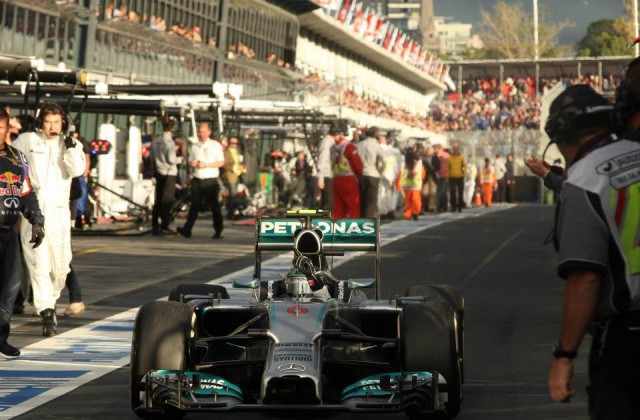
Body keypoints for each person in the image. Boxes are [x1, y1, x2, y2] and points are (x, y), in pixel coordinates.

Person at [543, 85, 640, 420]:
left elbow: (585, 277)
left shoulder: (583, 178)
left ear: (561, 134)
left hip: (629, 337)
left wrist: (564, 356)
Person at [13, 103, 85, 336]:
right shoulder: (27, 141)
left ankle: (51, 301)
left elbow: (77, 171)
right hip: (34, 210)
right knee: (38, 262)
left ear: (63, 123)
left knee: (61, 265)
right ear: (40, 122)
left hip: (59, 213)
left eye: (57, 122)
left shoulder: (70, 144)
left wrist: (71, 149)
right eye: (48, 122)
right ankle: (46, 311)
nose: (52, 127)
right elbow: (10, 162)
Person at [0, 108, 45, 357]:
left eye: (0, 128)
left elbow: (27, 194)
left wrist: (37, 221)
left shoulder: (17, 159)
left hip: (9, 233)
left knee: (10, 287)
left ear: (7, 129)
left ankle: (1, 337)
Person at [177, 122, 224, 239]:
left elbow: (221, 162)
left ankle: (218, 230)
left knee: (214, 206)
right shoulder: (194, 146)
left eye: (203, 131)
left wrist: (206, 164)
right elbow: (190, 160)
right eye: (199, 132)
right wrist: (193, 163)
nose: (201, 134)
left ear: (209, 132)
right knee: (194, 205)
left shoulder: (215, 145)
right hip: (197, 178)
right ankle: (187, 230)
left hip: (210, 180)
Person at [151, 116, 178, 235]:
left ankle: (155, 224)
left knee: (158, 199)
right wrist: (180, 159)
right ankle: (165, 224)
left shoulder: (156, 140)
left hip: (158, 171)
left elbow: (152, 156)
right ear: (172, 128)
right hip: (169, 173)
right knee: (167, 200)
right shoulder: (169, 142)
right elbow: (171, 159)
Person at [331, 125, 363, 219]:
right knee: (353, 205)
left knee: (338, 207)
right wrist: (360, 174)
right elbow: (357, 165)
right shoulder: (349, 147)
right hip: (348, 179)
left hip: (336, 178)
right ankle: (352, 228)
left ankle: (337, 228)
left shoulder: (333, 147)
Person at [357, 126, 384, 218]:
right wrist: (380, 171)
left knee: (362, 199)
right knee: (371, 201)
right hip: (373, 174)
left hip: (361, 174)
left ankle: (361, 220)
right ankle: (368, 222)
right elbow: (382, 160)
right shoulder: (376, 145)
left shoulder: (359, 144)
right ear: (375, 134)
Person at [223, 137, 245, 219]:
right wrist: (232, 168)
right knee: (233, 194)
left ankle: (234, 210)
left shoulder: (238, 152)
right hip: (230, 175)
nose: (234, 145)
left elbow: (240, 162)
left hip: (238, 174)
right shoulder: (226, 152)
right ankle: (231, 211)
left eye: (235, 143)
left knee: (236, 194)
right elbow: (224, 164)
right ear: (229, 143)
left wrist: (242, 167)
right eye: (232, 143)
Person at [399, 148, 423, 220]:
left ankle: (409, 214)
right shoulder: (418, 161)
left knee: (409, 200)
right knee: (415, 199)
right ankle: (414, 213)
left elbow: (405, 172)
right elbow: (415, 172)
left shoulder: (405, 162)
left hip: (408, 184)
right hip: (415, 184)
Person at [315, 128, 335, 211]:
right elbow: (322, 159)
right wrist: (321, 176)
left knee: (327, 202)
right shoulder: (327, 142)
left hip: (328, 174)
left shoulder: (329, 141)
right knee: (328, 202)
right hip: (326, 174)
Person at [448, 143, 465, 212]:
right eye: (454, 149)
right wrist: (448, 174)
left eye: (456, 149)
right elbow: (448, 166)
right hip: (451, 176)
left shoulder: (461, 157)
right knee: (453, 192)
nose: (455, 150)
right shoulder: (450, 158)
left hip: (460, 176)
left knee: (460, 192)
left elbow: (464, 166)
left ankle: (460, 206)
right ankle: (453, 207)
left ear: (458, 150)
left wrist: (463, 172)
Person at [422, 145, 440, 213]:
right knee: (425, 192)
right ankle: (425, 206)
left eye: (430, 151)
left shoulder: (435, 158)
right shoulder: (423, 158)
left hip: (433, 176)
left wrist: (433, 169)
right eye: (427, 151)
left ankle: (431, 207)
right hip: (425, 177)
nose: (428, 152)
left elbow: (438, 166)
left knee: (433, 192)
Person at [434, 144, 449, 212]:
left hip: (441, 175)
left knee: (440, 192)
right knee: (444, 192)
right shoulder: (447, 155)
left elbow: (436, 166)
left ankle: (439, 207)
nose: (434, 150)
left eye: (435, 148)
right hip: (446, 175)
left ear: (439, 148)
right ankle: (444, 207)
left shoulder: (438, 156)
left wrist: (437, 173)